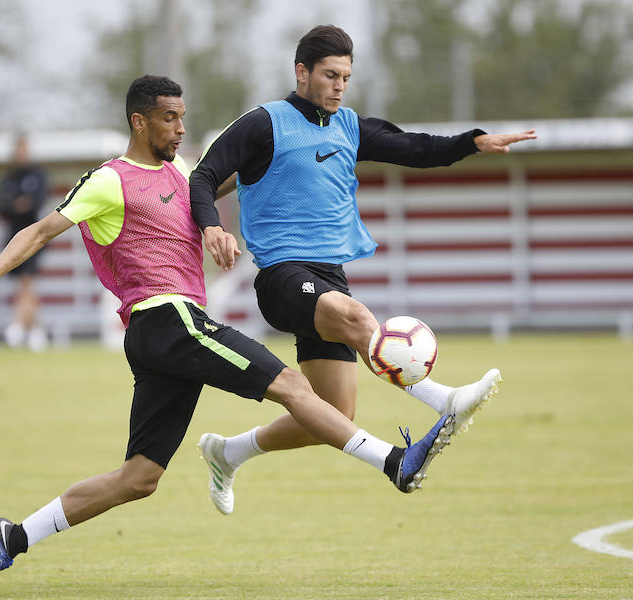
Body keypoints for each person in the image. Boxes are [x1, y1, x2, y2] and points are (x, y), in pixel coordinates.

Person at [0, 76, 460, 598]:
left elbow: (211, 187)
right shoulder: (108, 180)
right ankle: (394, 462)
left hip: (164, 338)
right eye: (170, 118)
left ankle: (12, 536)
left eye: (183, 116)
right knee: (293, 387)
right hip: (167, 319)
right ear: (138, 121)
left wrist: (242, 197)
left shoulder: (181, 171)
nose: (180, 127)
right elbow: (40, 230)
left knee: (139, 478)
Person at [189, 24, 536, 515]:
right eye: (330, 75)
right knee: (354, 318)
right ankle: (443, 401)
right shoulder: (265, 122)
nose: (338, 85)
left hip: (329, 276)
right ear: (301, 72)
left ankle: (228, 452)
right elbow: (202, 176)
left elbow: (415, 148)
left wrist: (473, 142)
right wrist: (211, 229)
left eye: (346, 78)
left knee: (330, 415)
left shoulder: (348, 126)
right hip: (282, 275)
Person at [0, 134, 49, 351]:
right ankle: (35, 330)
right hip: (13, 237)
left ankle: (17, 325)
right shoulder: (8, 179)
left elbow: (37, 200)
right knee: (24, 284)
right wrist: (15, 204)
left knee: (27, 281)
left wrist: (22, 204)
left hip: (34, 236)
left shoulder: (37, 175)